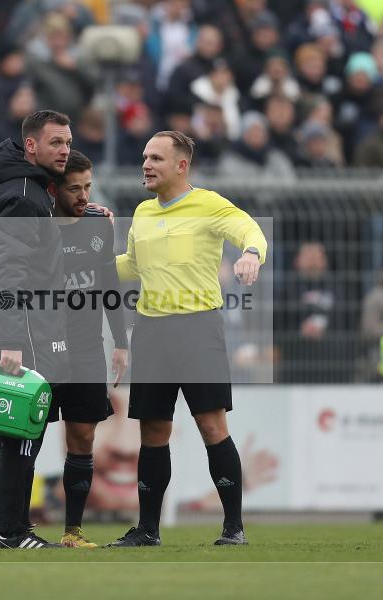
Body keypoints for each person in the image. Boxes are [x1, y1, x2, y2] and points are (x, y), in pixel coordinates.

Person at [106, 130, 268, 547]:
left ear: (181, 165)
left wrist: (250, 254)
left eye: (156, 158)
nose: (146, 164)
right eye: (145, 156)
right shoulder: (142, 212)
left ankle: (234, 528)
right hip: (152, 331)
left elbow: (250, 231)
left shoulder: (208, 204)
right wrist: (93, 267)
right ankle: (148, 530)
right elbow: (133, 265)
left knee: (212, 425)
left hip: (198, 328)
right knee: (153, 431)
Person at [0, 110, 72, 550]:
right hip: (23, 332)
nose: (65, 150)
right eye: (55, 142)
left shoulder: (27, 188)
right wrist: (12, 340)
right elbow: (7, 274)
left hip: (21, 328)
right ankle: (13, 531)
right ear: (30, 146)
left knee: (12, 434)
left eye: (67, 142)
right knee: (22, 433)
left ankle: (7, 529)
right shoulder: (25, 196)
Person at [51, 149, 128, 548]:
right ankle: (12, 530)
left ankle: (72, 532)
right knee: (23, 442)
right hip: (42, 351)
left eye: (87, 187)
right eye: (74, 188)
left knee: (82, 438)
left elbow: (109, 283)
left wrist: (121, 343)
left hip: (85, 351)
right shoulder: (34, 225)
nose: (83, 196)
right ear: (54, 190)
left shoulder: (100, 224)